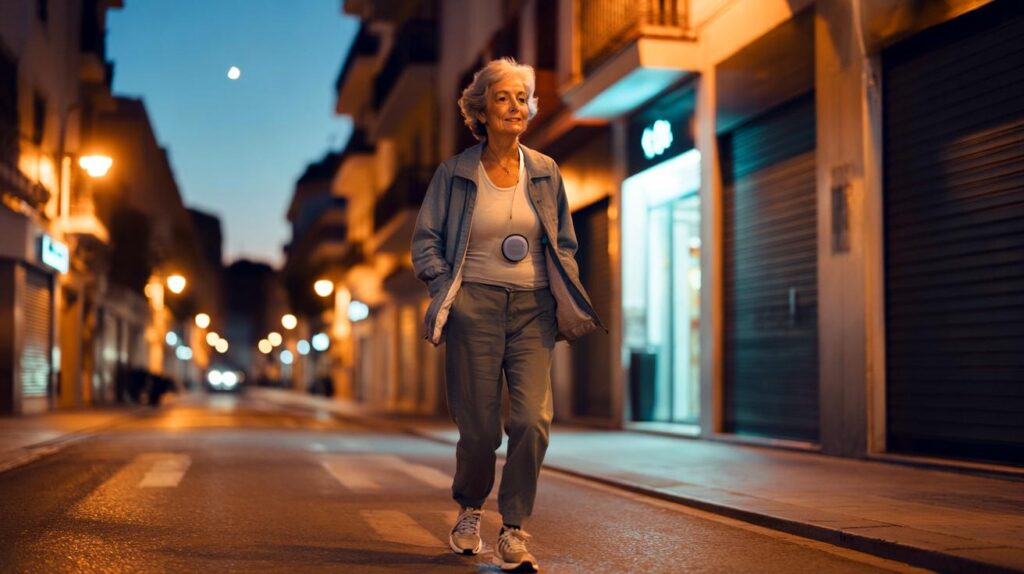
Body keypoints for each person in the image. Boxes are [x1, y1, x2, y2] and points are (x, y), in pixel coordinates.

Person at [412, 58, 604, 572]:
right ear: (481, 108)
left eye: (522, 98)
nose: (515, 106)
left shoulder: (545, 170)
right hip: (473, 304)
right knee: (478, 429)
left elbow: (563, 240)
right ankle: (471, 509)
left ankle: (514, 528)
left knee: (533, 420)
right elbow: (425, 240)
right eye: (503, 97)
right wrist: (441, 282)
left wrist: (564, 283)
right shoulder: (454, 174)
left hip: (533, 307)